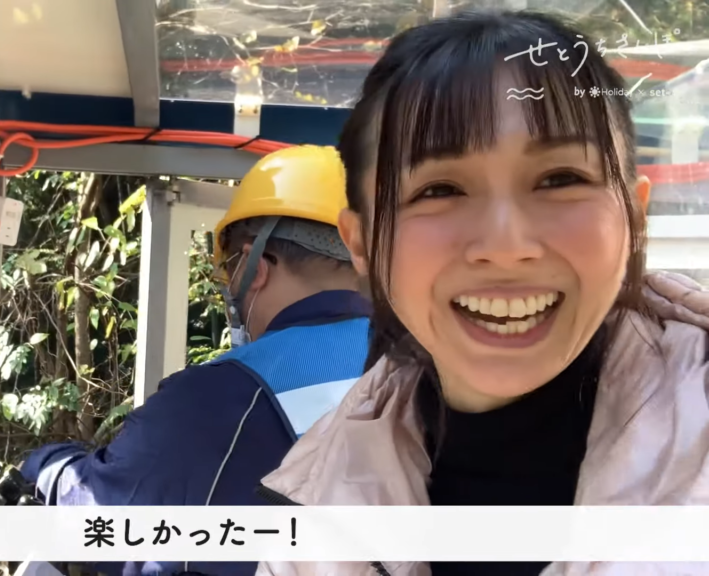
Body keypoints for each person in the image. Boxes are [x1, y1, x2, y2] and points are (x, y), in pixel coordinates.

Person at [254, 10, 709, 576]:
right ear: (362, 244)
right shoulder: (318, 508)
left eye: (561, 179)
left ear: (634, 219)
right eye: (439, 189)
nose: (506, 245)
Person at [20, 145, 374, 576]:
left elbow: (99, 510)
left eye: (230, 272)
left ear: (255, 265)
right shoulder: (424, 368)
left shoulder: (223, 396)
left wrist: (46, 466)